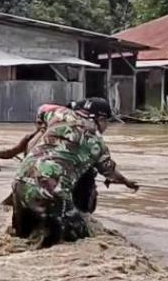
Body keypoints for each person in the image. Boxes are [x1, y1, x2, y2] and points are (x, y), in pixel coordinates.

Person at [12, 97, 139, 248]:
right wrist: (127, 182)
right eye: (107, 122)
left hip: (19, 181)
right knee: (83, 239)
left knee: (18, 236)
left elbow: (42, 109)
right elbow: (110, 172)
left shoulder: (59, 113)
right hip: (52, 191)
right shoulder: (97, 144)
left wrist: (42, 129)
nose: (106, 126)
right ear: (101, 119)